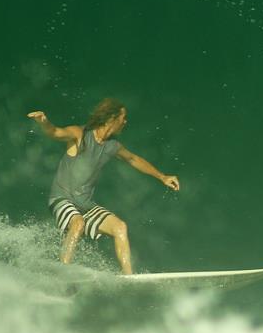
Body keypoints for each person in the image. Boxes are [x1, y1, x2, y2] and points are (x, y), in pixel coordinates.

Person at [27, 98, 180, 275]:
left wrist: (162, 177)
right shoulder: (80, 134)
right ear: (112, 119)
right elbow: (55, 132)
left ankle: (128, 277)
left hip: (85, 204)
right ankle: (64, 271)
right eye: (123, 118)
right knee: (78, 223)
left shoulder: (112, 146)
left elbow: (133, 159)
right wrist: (44, 122)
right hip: (62, 198)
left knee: (120, 227)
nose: (125, 122)